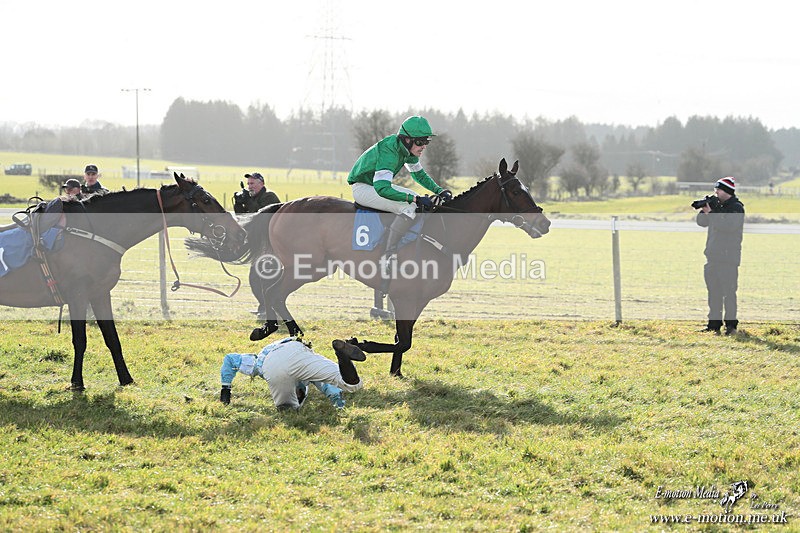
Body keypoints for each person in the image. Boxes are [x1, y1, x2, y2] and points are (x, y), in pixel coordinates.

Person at [347, 116, 452, 264]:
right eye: (420, 142)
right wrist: (414, 199)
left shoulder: (407, 151)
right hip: (363, 188)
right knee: (410, 206)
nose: (424, 146)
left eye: (426, 141)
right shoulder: (389, 150)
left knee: (416, 200)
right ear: (407, 140)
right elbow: (382, 189)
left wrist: (439, 190)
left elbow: (419, 175)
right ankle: (388, 255)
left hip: (373, 185)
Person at [220, 337, 366, 410]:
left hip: (273, 360)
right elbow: (328, 387)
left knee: (288, 408)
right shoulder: (309, 374)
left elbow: (230, 359)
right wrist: (338, 402)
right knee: (352, 385)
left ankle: (342, 355)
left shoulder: (257, 362)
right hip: (299, 349)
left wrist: (225, 390)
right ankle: (341, 354)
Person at [695, 176, 745, 336]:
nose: (716, 192)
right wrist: (705, 209)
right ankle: (713, 325)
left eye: (719, 189)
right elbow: (701, 222)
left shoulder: (736, 208)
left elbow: (728, 227)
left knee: (729, 293)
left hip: (728, 259)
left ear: (727, 191)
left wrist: (712, 213)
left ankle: (731, 327)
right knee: (713, 293)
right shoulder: (716, 206)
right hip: (712, 257)